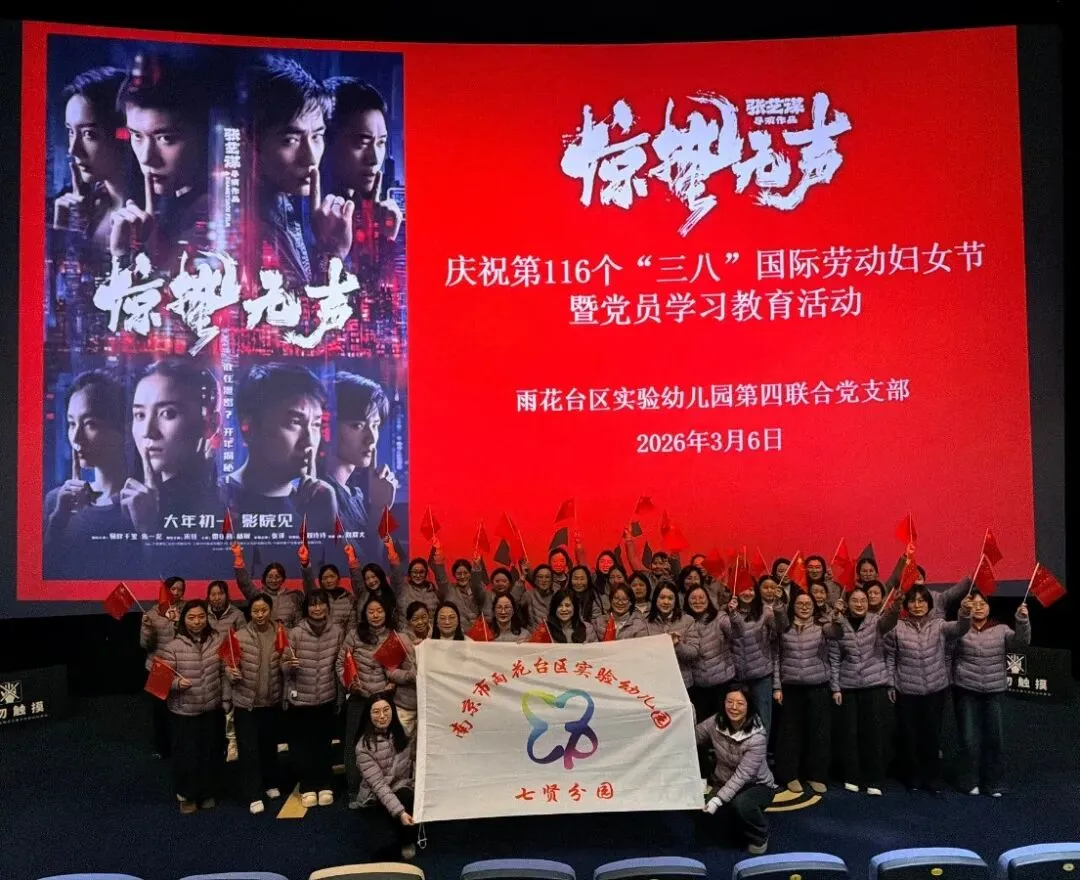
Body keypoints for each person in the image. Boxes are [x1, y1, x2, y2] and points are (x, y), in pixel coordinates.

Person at [248, 54, 350, 288]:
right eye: (290, 140)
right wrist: (333, 254)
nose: (311, 157)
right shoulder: (245, 225)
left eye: (317, 136)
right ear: (252, 141)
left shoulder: (283, 209)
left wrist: (327, 248)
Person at [222, 362, 338, 535]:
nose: (310, 441)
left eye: (316, 424)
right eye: (295, 422)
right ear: (249, 428)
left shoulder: (320, 501)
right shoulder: (216, 499)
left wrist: (330, 524)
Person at [44, 370, 132, 579]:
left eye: (90, 423)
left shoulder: (143, 504)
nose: (76, 437)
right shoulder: (57, 501)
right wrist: (59, 520)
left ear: (124, 431)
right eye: (72, 423)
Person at [951, 591, 1030, 796]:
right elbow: (949, 646)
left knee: (995, 739)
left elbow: (1021, 643)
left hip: (994, 691)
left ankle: (993, 783)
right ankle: (969, 781)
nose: (978, 607)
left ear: (989, 608)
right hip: (966, 690)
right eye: (974, 604)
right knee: (968, 740)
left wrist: (1022, 621)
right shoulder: (961, 630)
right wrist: (962, 615)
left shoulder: (1001, 629)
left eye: (982, 604)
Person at [51, 67, 132, 258]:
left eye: (89, 134)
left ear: (123, 134)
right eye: (71, 131)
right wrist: (64, 228)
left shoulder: (155, 213)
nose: (73, 149)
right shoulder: (86, 208)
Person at [319, 371, 398, 564]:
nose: (371, 438)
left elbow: (372, 562)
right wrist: (379, 509)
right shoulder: (320, 495)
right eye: (357, 426)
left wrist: (380, 508)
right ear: (326, 428)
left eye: (375, 425)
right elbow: (359, 568)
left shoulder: (354, 494)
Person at [156, 599, 225, 813]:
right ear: (183, 620)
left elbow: (224, 672)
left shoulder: (217, 640)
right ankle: (186, 795)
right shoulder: (172, 647)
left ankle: (207, 791)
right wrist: (177, 683)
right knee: (186, 755)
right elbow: (159, 681)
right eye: (191, 617)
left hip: (211, 708)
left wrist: (226, 699)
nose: (197, 622)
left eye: (201, 617)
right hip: (184, 712)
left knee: (210, 752)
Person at [224, 592, 285, 814]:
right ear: (249, 613)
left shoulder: (281, 633)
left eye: (264, 610)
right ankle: (253, 793)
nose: (260, 615)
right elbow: (227, 665)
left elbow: (285, 663)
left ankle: (270, 783)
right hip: (246, 703)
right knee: (249, 750)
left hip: (271, 700)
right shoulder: (238, 636)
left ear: (270, 611)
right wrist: (230, 672)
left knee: (268, 745)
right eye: (255, 611)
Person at [699, 684, 777, 854]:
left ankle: (760, 834)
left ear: (749, 706)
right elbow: (695, 736)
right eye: (730, 702)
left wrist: (717, 800)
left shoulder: (757, 737)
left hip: (756, 785)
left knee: (741, 805)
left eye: (740, 703)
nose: (734, 707)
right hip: (724, 781)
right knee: (708, 816)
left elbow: (742, 776)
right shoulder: (715, 721)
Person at [355, 696, 418, 861]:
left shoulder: (403, 733)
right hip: (375, 798)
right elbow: (378, 785)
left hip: (401, 788)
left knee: (407, 796)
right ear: (368, 715)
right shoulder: (363, 747)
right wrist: (400, 812)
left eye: (386, 710)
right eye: (376, 712)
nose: (382, 716)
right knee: (382, 849)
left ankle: (407, 840)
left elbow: (415, 760)